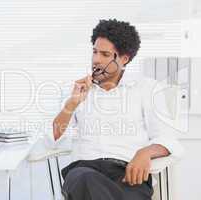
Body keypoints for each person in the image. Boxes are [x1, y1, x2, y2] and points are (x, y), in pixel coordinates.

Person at [52, 19, 184, 200]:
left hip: (128, 174)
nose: (96, 59)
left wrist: (145, 152)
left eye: (105, 54)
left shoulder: (147, 89)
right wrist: (72, 103)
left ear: (124, 59)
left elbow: (168, 139)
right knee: (84, 180)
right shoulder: (75, 91)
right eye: (95, 52)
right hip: (84, 171)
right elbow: (53, 138)